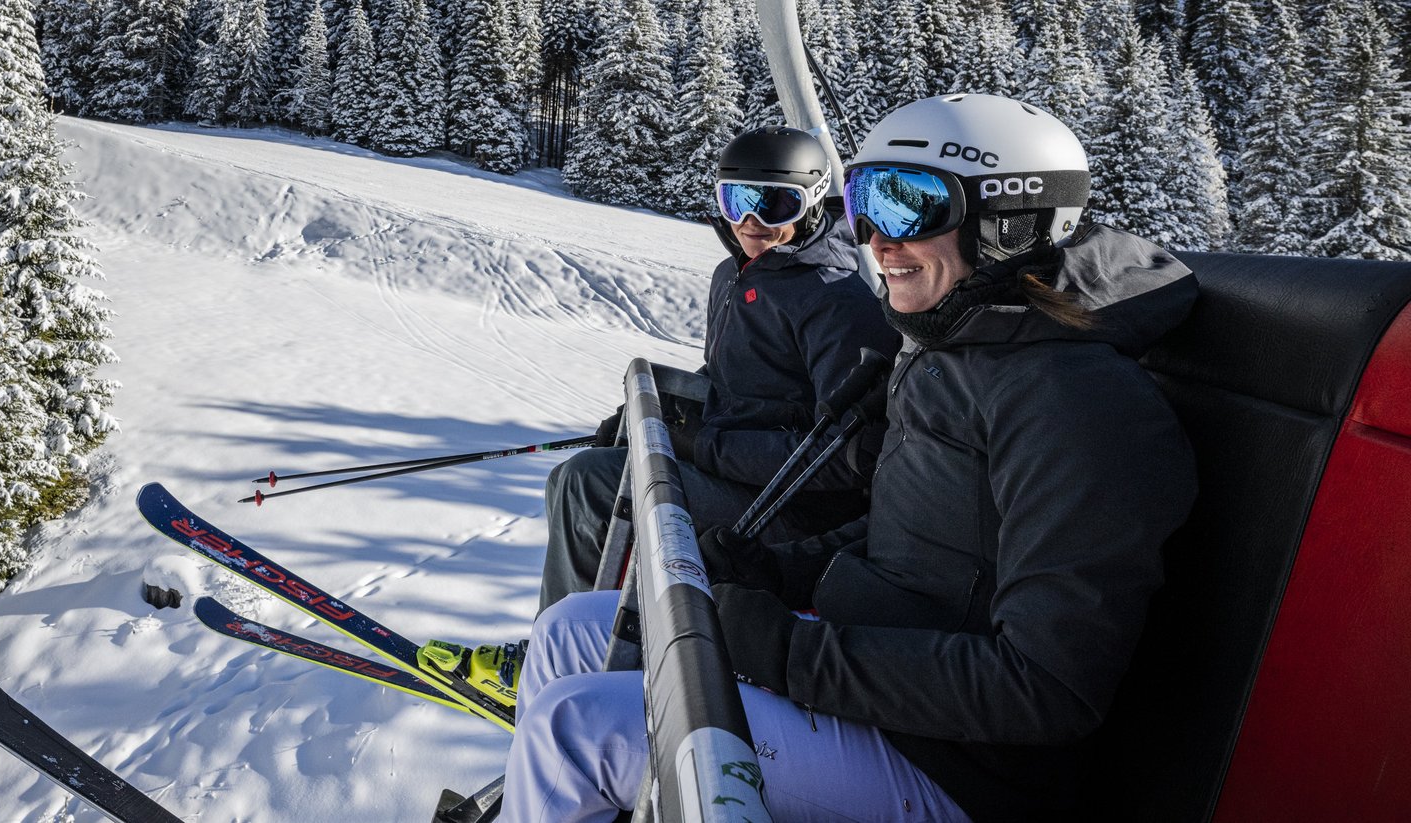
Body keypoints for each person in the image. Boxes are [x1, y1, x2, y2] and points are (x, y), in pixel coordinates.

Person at [500, 94, 1200, 822]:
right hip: (875, 672)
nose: (874, 238)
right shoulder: (955, 351)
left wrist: (788, 650)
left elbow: (1046, 686)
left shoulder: (1078, 402)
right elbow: (913, 539)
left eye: (908, 207)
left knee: (577, 728)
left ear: (1010, 223)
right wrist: (779, 567)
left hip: (953, 766)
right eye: (865, 202)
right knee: (572, 628)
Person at [538, 126, 899, 613]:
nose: (751, 221)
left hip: (793, 508)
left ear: (812, 201)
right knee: (579, 478)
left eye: (775, 205)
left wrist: (704, 445)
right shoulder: (734, 273)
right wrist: (651, 411)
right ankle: (583, 623)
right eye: (737, 200)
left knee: (590, 483)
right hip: (736, 475)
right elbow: (728, 373)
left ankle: (569, 642)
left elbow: (841, 457)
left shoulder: (836, 301)